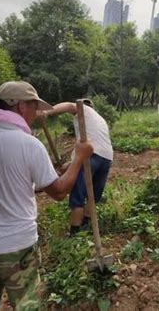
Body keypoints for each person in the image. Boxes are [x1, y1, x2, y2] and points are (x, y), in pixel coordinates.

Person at [0, 81, 93, 310]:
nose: (36, 114)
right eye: (35, 107)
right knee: (28, 305)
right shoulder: (29, 145)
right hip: (17, 246)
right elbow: (58, 191)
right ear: (21, 106)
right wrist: (79, 158)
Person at [41, 99, 113, 236]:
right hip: (107, 157)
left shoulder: (84, 110)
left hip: (91, 155)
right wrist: (68, 166)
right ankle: (86, 226)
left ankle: (74, 234)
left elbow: (69, 105)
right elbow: (85, 152)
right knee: (92, 197)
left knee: (77, 196)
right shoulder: (99, 120)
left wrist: (47, 111)